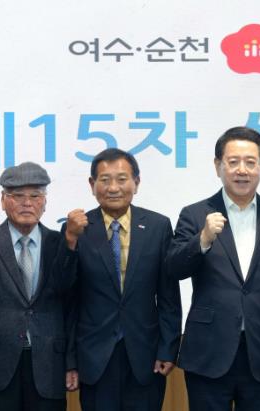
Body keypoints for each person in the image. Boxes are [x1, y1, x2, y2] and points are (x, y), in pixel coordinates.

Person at [167, 126, 260, 411]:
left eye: (250, 162)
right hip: (208, 350)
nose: (242, 170)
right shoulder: (194, 214)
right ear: (218, 166)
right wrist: (202, 239)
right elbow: (174, 269)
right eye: (233, 161)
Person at [0, 161, 84, 411]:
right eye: (17, 196)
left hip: (48, 361)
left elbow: (70, 302)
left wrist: (71, 361)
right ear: (3, 200)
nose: (27, 203)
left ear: (45, 202)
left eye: (35, 196)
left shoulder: (59, 242)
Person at [62, 148, 181, 411]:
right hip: (94, 356)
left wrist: (168, 348)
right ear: (92, 185)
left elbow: (169, 296)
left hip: (146, 355)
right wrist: (70, 360)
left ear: (136, 183)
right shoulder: (77, 229)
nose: (113, 188)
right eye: (105, 180)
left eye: (122, 179)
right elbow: (67, 299)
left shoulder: (158, 226)